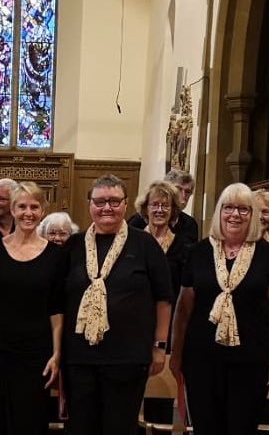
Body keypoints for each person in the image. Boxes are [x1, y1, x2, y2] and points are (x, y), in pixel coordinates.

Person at [169, 183, 269, 434]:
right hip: (202, 360)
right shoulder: (198, 252)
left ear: (253, 214)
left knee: (242, 428)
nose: (235, 215)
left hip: (251, 360)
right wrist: (177, 355)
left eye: (243, 209)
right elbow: (183, 309)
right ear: (219, 212)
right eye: (228, 208)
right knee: (206, 428)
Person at [62, 174, 174, 435]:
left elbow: (164, 299)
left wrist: (159, 346)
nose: (106, 208)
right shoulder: (74, 246)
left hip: (127, 357)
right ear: (90, 204)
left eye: (114, 201)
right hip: (79, 358)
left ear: (126, 204)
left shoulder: (145, 245)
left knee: (119, 427)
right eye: (100, 201)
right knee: (80, 427)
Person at [0, 182, 65, 434]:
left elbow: (56, 309)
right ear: (12, 210)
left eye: (34, 207)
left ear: (42, 211)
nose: (28, 212)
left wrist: (57, 354)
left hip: (37, 354)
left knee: (30, 422)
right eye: (22, 206)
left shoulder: (55, 256)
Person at [137, 180, 193, 297]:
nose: (160, 210)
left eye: (166, 205)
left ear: (173, 210)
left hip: (170, 310)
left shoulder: (184, 248)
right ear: (146, 208)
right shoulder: (133, 243)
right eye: (155, 204)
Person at [129, 171, 200, 245]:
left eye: (188, 192)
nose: (183, 195)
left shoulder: (190, 224)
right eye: (179, 189)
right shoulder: (138, 221)